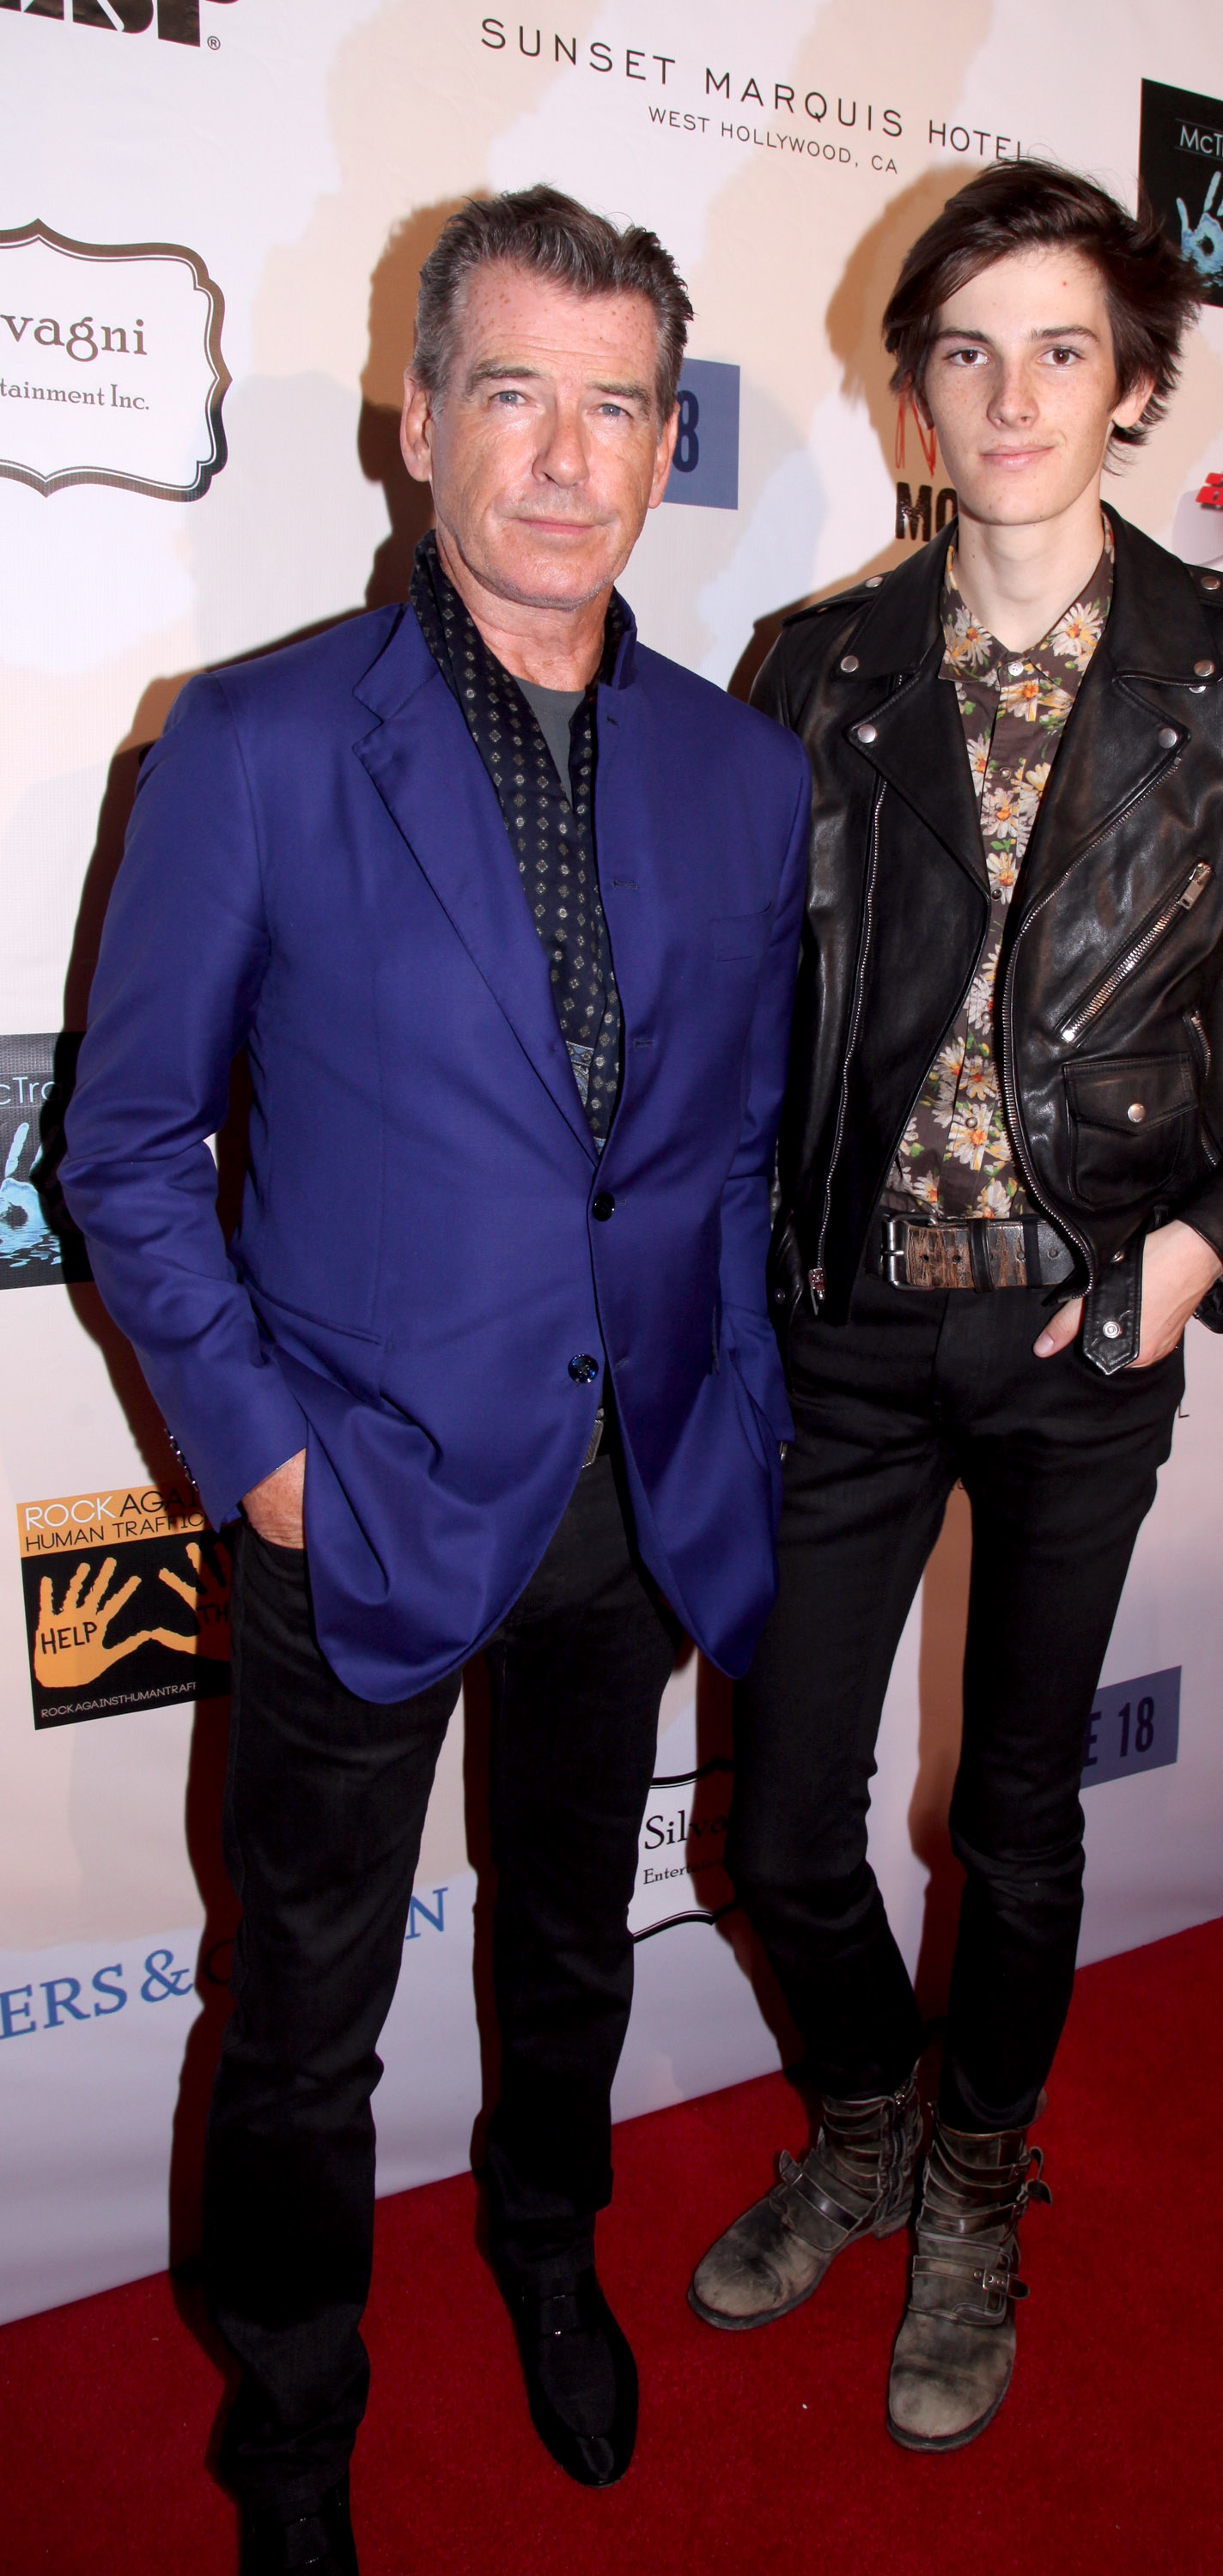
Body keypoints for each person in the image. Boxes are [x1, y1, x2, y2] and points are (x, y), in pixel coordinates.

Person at [63, 187, 809, 2571]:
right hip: (357, 1497)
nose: (568, 458)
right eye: (515, 391)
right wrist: (258, 1457)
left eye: (618, 404)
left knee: (572, 1941)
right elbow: (123, 1143)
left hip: (635, 1499)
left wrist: (736, 1425)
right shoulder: (259, 741)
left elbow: (729, 1149)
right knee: (299, 2016)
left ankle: (539, 2243)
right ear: (417, 424)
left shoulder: (739, 774)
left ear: (663, 440)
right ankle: (288, 2421)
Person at [689, 161, 1223, 2452]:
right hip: (837, 1327)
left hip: (1082, 1341)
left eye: (1057, 346)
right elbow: (745, 1017)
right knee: (782, 1822)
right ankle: (857, 2125)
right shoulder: (815, 669)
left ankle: (978, 2190)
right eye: (963, 348)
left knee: (1010, 1816)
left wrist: (1196, 1256)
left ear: (1129, 387)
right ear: (910, 391)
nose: (1008, 392)